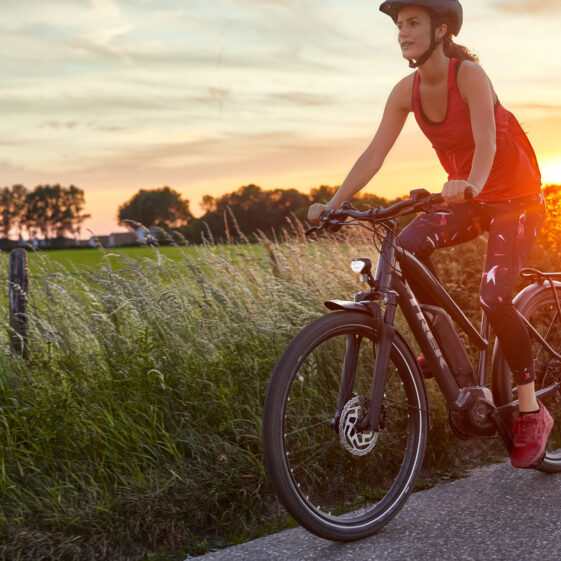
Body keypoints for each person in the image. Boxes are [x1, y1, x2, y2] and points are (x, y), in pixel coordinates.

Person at [307, 0, 552, 468]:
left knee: (494, 295)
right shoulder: (406, 91)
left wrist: (473, 184)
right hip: (466, 199)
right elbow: (374, 153)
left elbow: (488, 141)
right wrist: (333, 205)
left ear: (441, 30)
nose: (402, 32)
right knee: (407, 246)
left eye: (412, 23)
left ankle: (530, 408)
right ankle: (441, 348)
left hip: (514, 199)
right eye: (399, 25)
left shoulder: (470, 77)